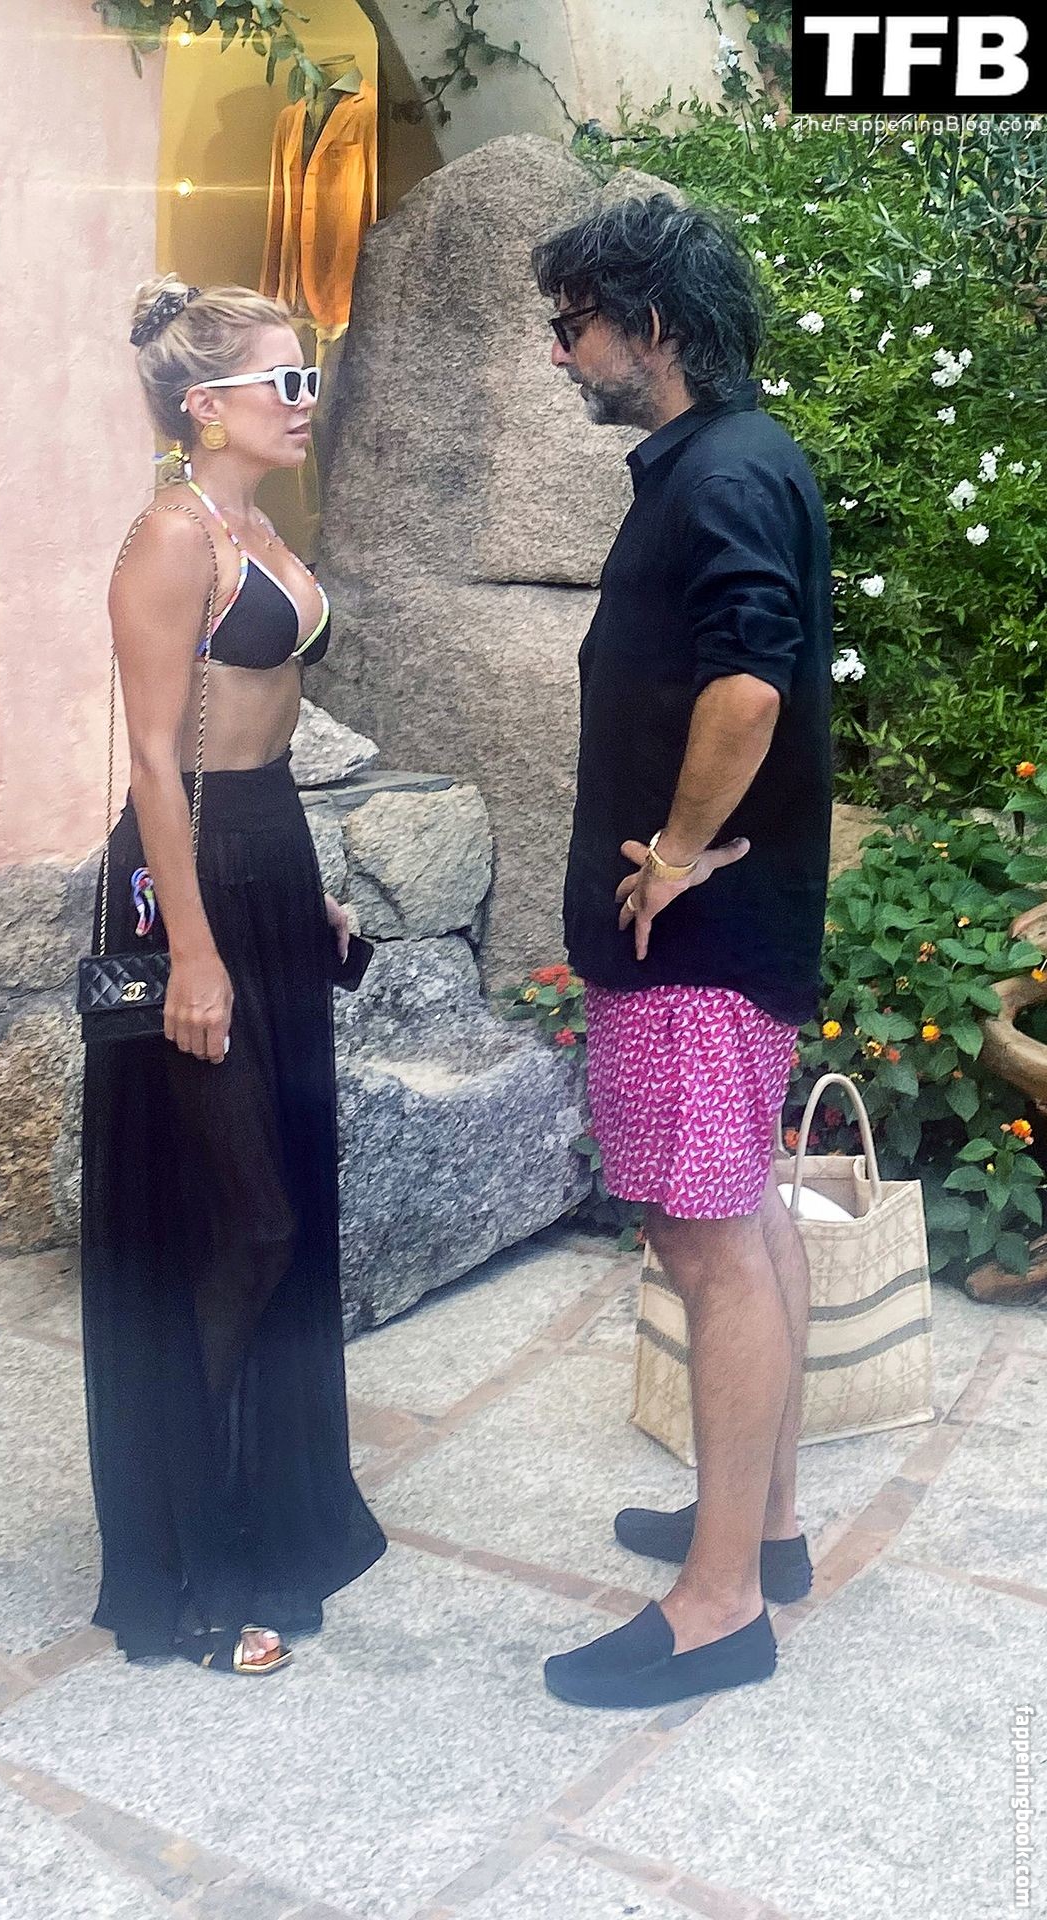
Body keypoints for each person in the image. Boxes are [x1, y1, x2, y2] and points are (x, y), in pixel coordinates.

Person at [532, 196, 832, 1709]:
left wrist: (672, 850)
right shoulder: (728, 460)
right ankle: (762, 1530)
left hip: (697, 940)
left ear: (651, 327)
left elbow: (749, 686)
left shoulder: (723, 469)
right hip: (716, 938)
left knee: (709, 1243)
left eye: (574, 323)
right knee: (743, 1219)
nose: (561, 351)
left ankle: (719, 1608)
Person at [80, 275, 385, 1677]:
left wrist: (299, 889)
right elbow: (156, 759)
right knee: (242, 1221)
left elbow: (256, 733)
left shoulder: (260, 531)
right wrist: (192, 953)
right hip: (177, 885)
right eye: (285, 379)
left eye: (308, 377)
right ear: (206, 406)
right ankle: (189, 1560)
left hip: (265, 855)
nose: (305, 401)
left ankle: (269, 1514)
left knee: (281, 1208)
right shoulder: (171, 536)